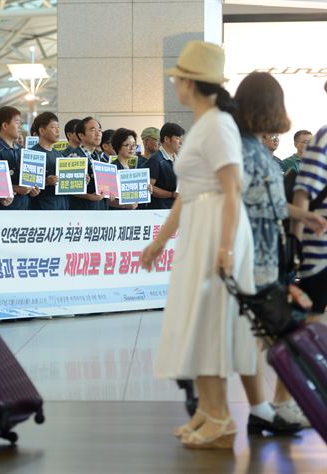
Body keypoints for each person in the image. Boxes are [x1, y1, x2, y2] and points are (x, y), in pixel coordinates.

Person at [141, 41, 257, 450]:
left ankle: (222, 416)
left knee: (210, 319)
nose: (175, 82)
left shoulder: (218, 124)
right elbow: (187, 194)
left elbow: (231, 188)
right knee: (197, 319)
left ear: (191, 82)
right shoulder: (202, 126)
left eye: (179, 76)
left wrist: (225, 247)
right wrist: (159, 242)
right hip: (201, 225)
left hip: (217, 229)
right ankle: (210, 412)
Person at [233, 72, 327, 433]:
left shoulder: (256, 148)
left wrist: (302, 217)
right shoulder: (243, 149)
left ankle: (272, 407)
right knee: (275, 332)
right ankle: (270, 407)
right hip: (252, 255)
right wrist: (303, 222)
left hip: (267, 254)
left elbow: (278, 203)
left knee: (274, 332)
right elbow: (247, 202)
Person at [292, 80, 327, 333]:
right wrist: (294, 244)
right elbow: (303, 193)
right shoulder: (323, 138)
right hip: (320, 252)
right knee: (310, 331)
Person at [0, 106, 37, 210]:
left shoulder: (20, 149)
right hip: (4, 211)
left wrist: (32, 189)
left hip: (24, 207)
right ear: (5, 125)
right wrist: (17, 189)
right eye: (17, 122)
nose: (20, 126)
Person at [29, 112, 69, 211]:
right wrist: (46, 182)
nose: (57, 131)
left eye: (58, 127)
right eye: (53, 127)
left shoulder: (59, 154)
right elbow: (27, 185)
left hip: (62, 207)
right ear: (42, 131)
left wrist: (81, 179)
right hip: (42, 209)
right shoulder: (32, 154)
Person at [68, 117, 107, 211]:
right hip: (82, 212)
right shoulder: (75, 156)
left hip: (100, 209)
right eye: (93, 130)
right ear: (81, 135)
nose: (98, 133)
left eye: (100, 130)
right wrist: (89, 196)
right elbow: (67, 188)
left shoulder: (99, 157)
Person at [144, 123, 184, 210]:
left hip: (174, 208)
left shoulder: (177, 158)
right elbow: (149, 187)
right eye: (177, 138)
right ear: (166, 139)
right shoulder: (156, 159)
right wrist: (171, 194)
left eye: (181, 139)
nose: (181, 142)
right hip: (159, 210)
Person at [109, 128, 148, 210]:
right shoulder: (112, 169)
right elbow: (108, 200)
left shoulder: (131, 168)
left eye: (134, 145)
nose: (132, 148)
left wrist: (146, 191)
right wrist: (125, 205)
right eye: (127, 145)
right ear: (118, 146)